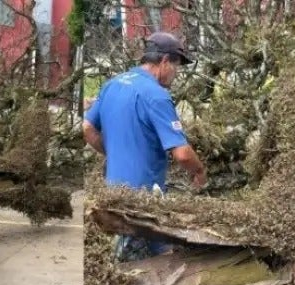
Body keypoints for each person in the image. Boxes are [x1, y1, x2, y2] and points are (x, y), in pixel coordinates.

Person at [83, 31, 208, 262]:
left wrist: (115, 153)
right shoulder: (156, 96)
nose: (176, 73)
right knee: (160, 263)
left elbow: (88, 128)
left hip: (111, 195)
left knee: (119, 260)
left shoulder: (112, 84)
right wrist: (199, 171)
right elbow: (182, 153)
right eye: (176, 66)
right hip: (143, 203)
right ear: (164, 61)